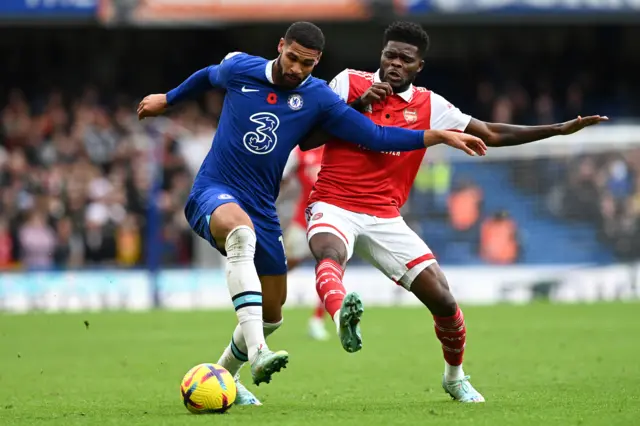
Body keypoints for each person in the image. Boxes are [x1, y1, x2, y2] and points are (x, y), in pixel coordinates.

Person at [137, 21, 487, 406]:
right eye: (292, 58)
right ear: (280, 46)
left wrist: (435, 135)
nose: (296, 69)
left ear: (316, 62)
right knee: (240, 234)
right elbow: (208, 75)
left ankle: (227, 376)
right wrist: (168, 99)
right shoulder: (242, 68)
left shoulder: (318, 96)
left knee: (272, 315)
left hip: (262, 207)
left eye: (307, 64)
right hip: (215, 190)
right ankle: (258, 355)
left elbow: (376, 137)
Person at [303, 21, 608, 403]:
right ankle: (339, 318)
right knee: (329, 252)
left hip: (384, 216)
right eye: (389, 55)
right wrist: (358, 106)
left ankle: (455, 376)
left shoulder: (430, 106)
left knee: (445, 301)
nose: (395, 63)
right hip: (333, 202)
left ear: (419, 67)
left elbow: (491, 133)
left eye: (405, 59)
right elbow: (310, 136)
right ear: (380, 54)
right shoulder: (349, 82)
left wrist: (559, 129)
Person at [281, 146, 329, 340]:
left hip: (331, 220)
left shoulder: (337, 145)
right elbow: (281, 178)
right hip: (303, 220)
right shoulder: (298, 152)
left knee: (329, 268)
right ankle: (257, 310)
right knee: (282, 267)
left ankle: (317, 321)